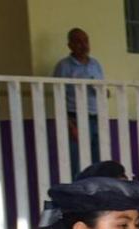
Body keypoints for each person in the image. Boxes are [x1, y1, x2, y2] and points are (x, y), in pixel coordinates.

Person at [51, 27, 104, 171]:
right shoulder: (64, 66)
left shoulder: (96, 65)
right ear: (70, 45)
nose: (84, 45)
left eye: (86, 41)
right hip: (75, 119)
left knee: (97, 164)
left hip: (95, 118)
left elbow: (103, 90)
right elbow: (58, 97)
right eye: (79, 41)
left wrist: (103, 92)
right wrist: (70, 125)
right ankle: (77, 192)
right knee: (76, 164)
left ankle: (96, 192)